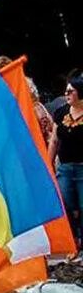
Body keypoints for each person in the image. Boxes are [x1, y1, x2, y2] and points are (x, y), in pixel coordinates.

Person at [51, 75, 83, 246]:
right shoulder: (61, 112)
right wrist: (49, 163)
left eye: (70, 91)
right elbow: (54, 140)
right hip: (65, 167)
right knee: (67, 204)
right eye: (66, 91)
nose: (66, 93)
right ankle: (73, 241)